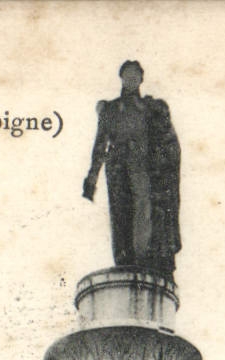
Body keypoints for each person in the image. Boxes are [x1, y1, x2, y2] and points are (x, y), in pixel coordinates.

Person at [83, 61, 181, 278]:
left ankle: (143, 256)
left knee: (143, 208)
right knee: (120, 211)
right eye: (127, 75)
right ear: (121, 78)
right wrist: (92, 176)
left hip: (142, 163)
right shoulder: (110, 109)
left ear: (141, 79)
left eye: (135, 75)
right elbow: (100, 143)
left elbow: (165, 138)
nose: (131, 79)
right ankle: (124, 259)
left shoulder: (149, 107)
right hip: (117, 164)